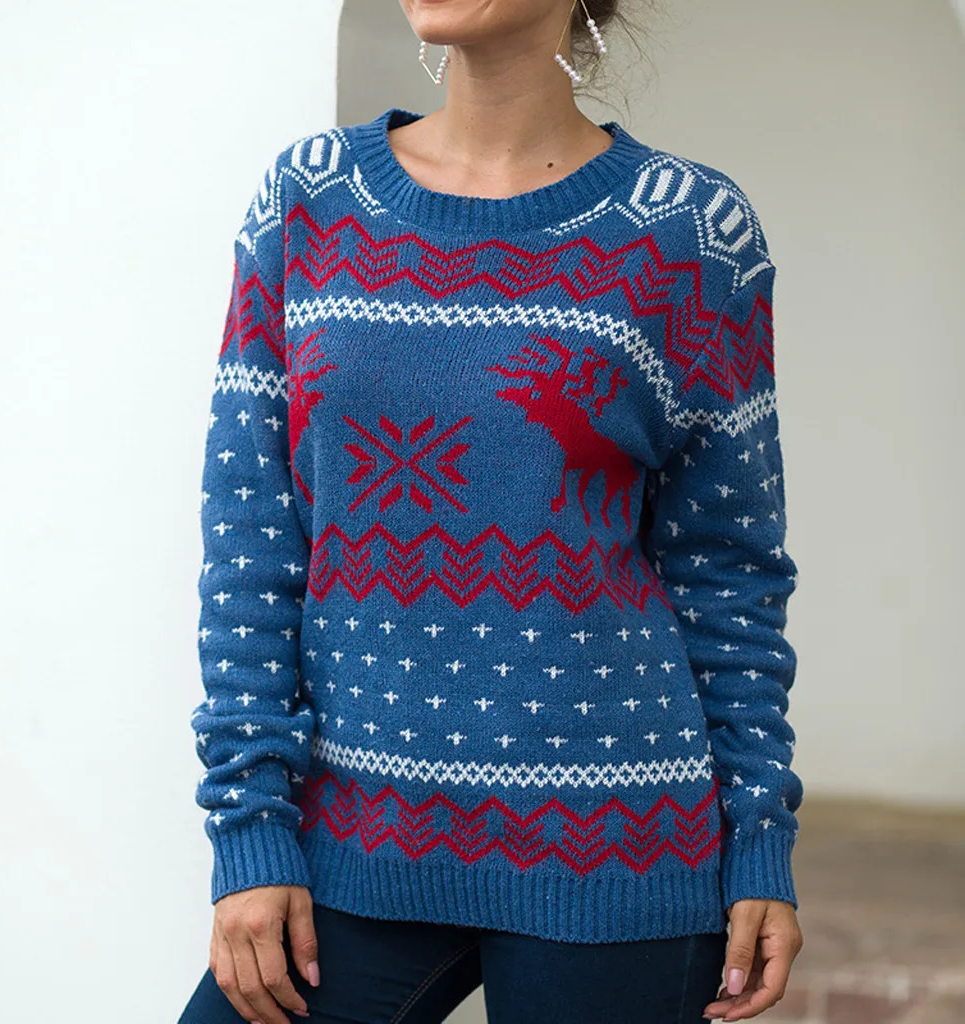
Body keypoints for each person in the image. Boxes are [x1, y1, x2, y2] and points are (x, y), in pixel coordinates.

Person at [178, 1, 805, 1021]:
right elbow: (251, 538)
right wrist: (250, 823)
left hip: (621, 839)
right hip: (351, 834)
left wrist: (760, 835)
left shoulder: (691, 230)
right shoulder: (309, 197)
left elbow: (726, 568)